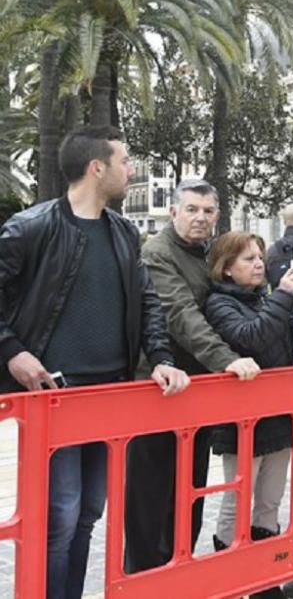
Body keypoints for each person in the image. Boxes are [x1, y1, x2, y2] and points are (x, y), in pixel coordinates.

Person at [0, 126, 188, 599]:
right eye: (125, 160)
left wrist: (161, 357)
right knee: (60, 515)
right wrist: (12, 351)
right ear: (96, 167)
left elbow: (147, 302)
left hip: (111, 398)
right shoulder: (31, 227)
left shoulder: (124, 232)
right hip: (56, 397)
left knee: (88, 514)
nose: (131, 170)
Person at [124, 179, 260, 574]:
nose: (200, 217)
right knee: (149, 499)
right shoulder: (157, 253)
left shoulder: (209, 254)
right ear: (173, 212)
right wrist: (228, 360)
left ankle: (179, 575)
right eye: (192, 209)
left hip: (198, 392)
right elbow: (182, 316)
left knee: (190, 493)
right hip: (157, 390)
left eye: (207, 211)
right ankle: (144, 581)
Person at [204, 232, 293, 599]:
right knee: (236, 502)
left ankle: (266, 581)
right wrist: (283, 297)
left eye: (259, 258)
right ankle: (230, 576)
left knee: (269, 500)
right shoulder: (219, 304)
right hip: (241, 423)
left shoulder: (268, 300)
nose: (258, 264)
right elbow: (251, 338)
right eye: (247, 259)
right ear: (226, 268)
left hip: (278, 416)